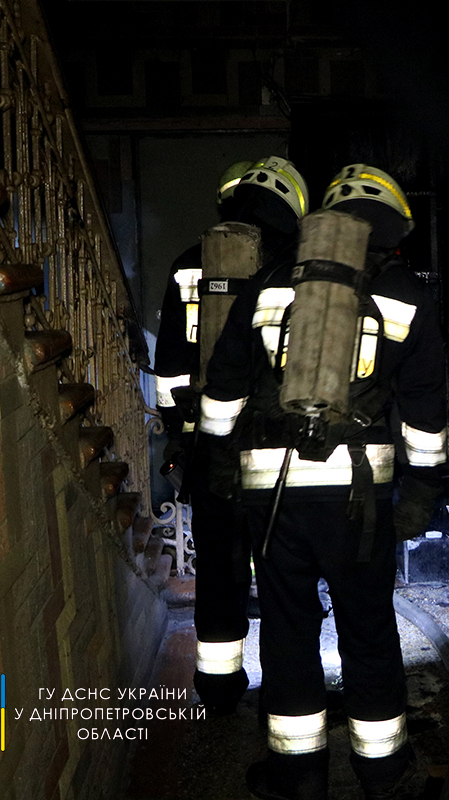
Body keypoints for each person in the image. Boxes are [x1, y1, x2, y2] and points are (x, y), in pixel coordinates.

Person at [197, 164, 447, 800]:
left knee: (286, 630)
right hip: (360, 501)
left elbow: (222, 387)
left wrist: (219, 463)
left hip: (271, 493)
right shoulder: (407, 297)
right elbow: (424, 413)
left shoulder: (267, 285)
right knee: (367, 630)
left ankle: (297, 777)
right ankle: (384, 776)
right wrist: (421, 491)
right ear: (391, 232)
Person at [152, 156, 309, 715]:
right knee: (284, 572)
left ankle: (218, 689)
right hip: (279, 455)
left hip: (207, 451)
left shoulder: (186, 268)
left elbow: (169, 368)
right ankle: (290, 688)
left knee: (218, 573)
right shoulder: (297, 270)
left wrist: (181, 433)